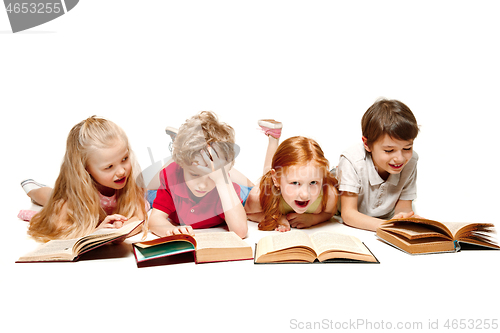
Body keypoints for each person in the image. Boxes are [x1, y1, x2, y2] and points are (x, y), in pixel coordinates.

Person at [19, 116, 148, 242]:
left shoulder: (130, 183)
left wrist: (118, 231)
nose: (121, 171)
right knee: (50, 197)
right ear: (86, 169)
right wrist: (96, 232)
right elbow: (59, 228)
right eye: (109, 167)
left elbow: (139, 217)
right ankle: (33, 189)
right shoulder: (71, 196)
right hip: (72, 198)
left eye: (124, 159)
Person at [148, 111, 248, 238]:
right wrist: (171, 231)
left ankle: (180, 143)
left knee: (253, 197)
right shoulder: (172, 175)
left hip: (236, 190)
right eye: (195, 175)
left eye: (210, 176)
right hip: (172, 179)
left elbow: (240, 231)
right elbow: (155, 219)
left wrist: (221, 180)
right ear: (182, 165)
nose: (202, 185)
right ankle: (178, 145)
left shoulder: (223, 183)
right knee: (148, 195)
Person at [337, 98, 420, 231]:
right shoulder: (352, 160)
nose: (399, 158)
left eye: (407, 148)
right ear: (367, 144)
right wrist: (387, 227)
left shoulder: (411, 161)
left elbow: (403, 208)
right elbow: (348, 214)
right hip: (338, 206)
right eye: (389, 150)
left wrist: (403, 220)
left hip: (383, 218)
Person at [245, 120, 338, 232]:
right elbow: (248, 213)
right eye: (295, 183)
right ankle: (273, 139)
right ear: (276, 180)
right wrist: (276, 218)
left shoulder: (329, 196)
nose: (305, 195)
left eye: (313, 182)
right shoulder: (258, 195)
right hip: (272, 185)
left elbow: (329, 213)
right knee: (267, 171)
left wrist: (313, 219)